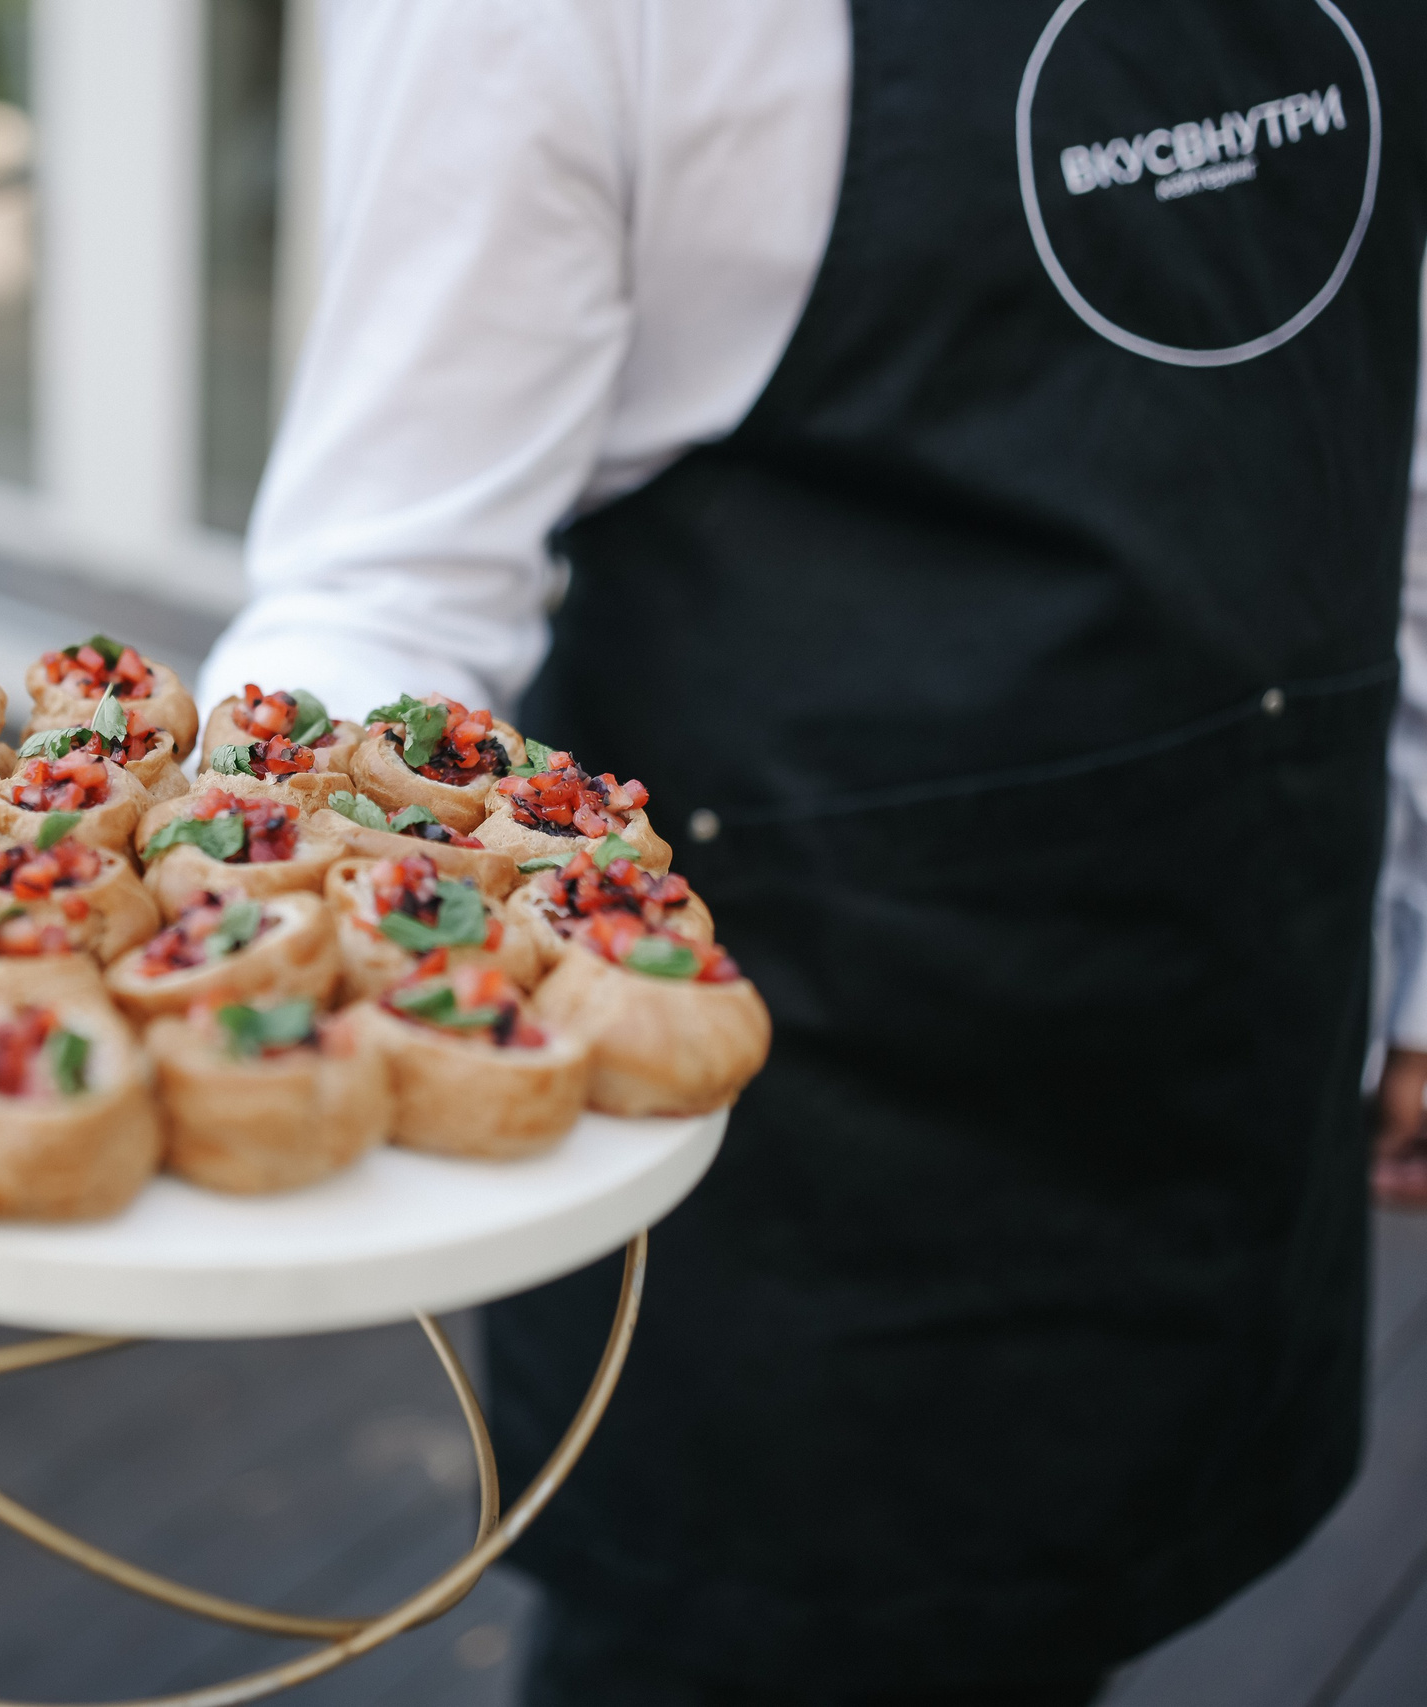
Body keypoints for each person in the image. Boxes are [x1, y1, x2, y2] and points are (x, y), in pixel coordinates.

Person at [200, 2, 1427, 1701]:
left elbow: (1386, 407)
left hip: (1238, 1021)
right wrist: (226, 959)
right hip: (817, 1153)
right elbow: (386, 588)